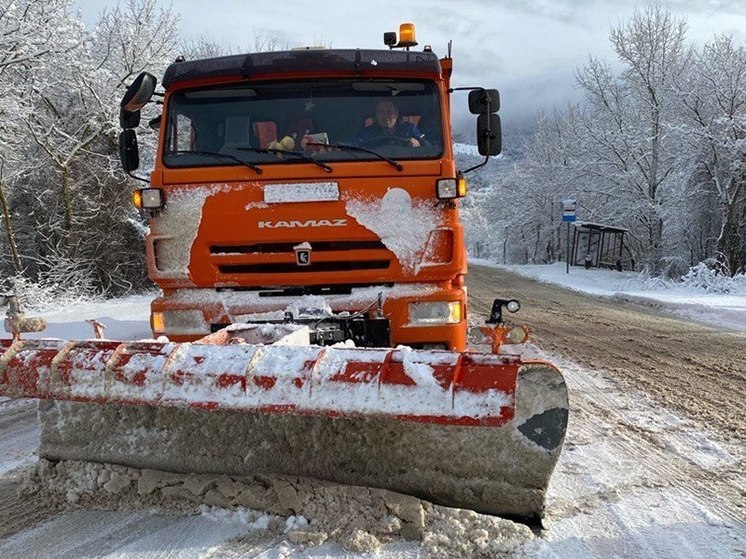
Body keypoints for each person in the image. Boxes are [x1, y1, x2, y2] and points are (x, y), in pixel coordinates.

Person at [350, 99, 424, 147]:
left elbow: (427, 146)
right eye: (381, 112)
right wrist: (340, 148)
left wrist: (417, 142)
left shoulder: (409, 128)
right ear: (376, 115)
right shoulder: (368, 132)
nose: (385, 116)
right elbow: (354, 145)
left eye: (389, 111)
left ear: (396, 113)